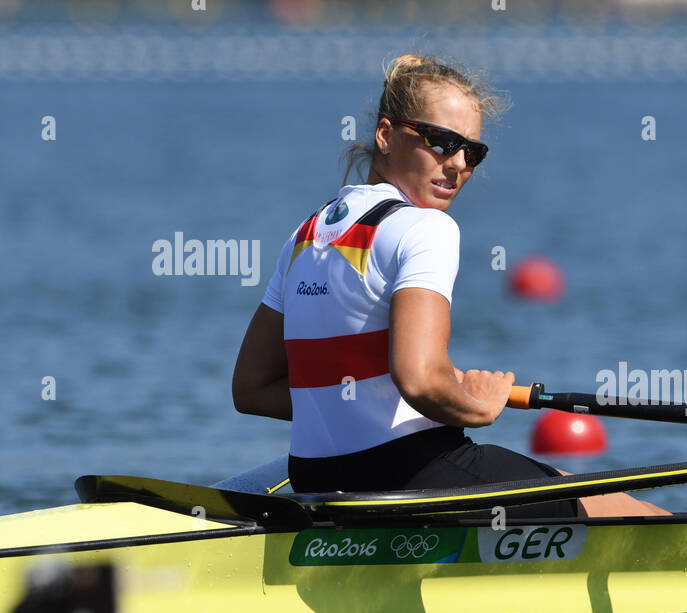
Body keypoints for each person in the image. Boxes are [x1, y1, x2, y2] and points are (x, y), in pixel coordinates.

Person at [232, 54, 664, 517]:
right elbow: (420, 379)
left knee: (576, 488)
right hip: (410, 474)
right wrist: (478, 405)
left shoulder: (306, 235)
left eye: (472, 152)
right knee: (639, 515)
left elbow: (252, 389)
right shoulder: (426, 228)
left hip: (317, 477)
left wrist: (362, 403)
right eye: (441, 142)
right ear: (385, 135)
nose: (457, 164)